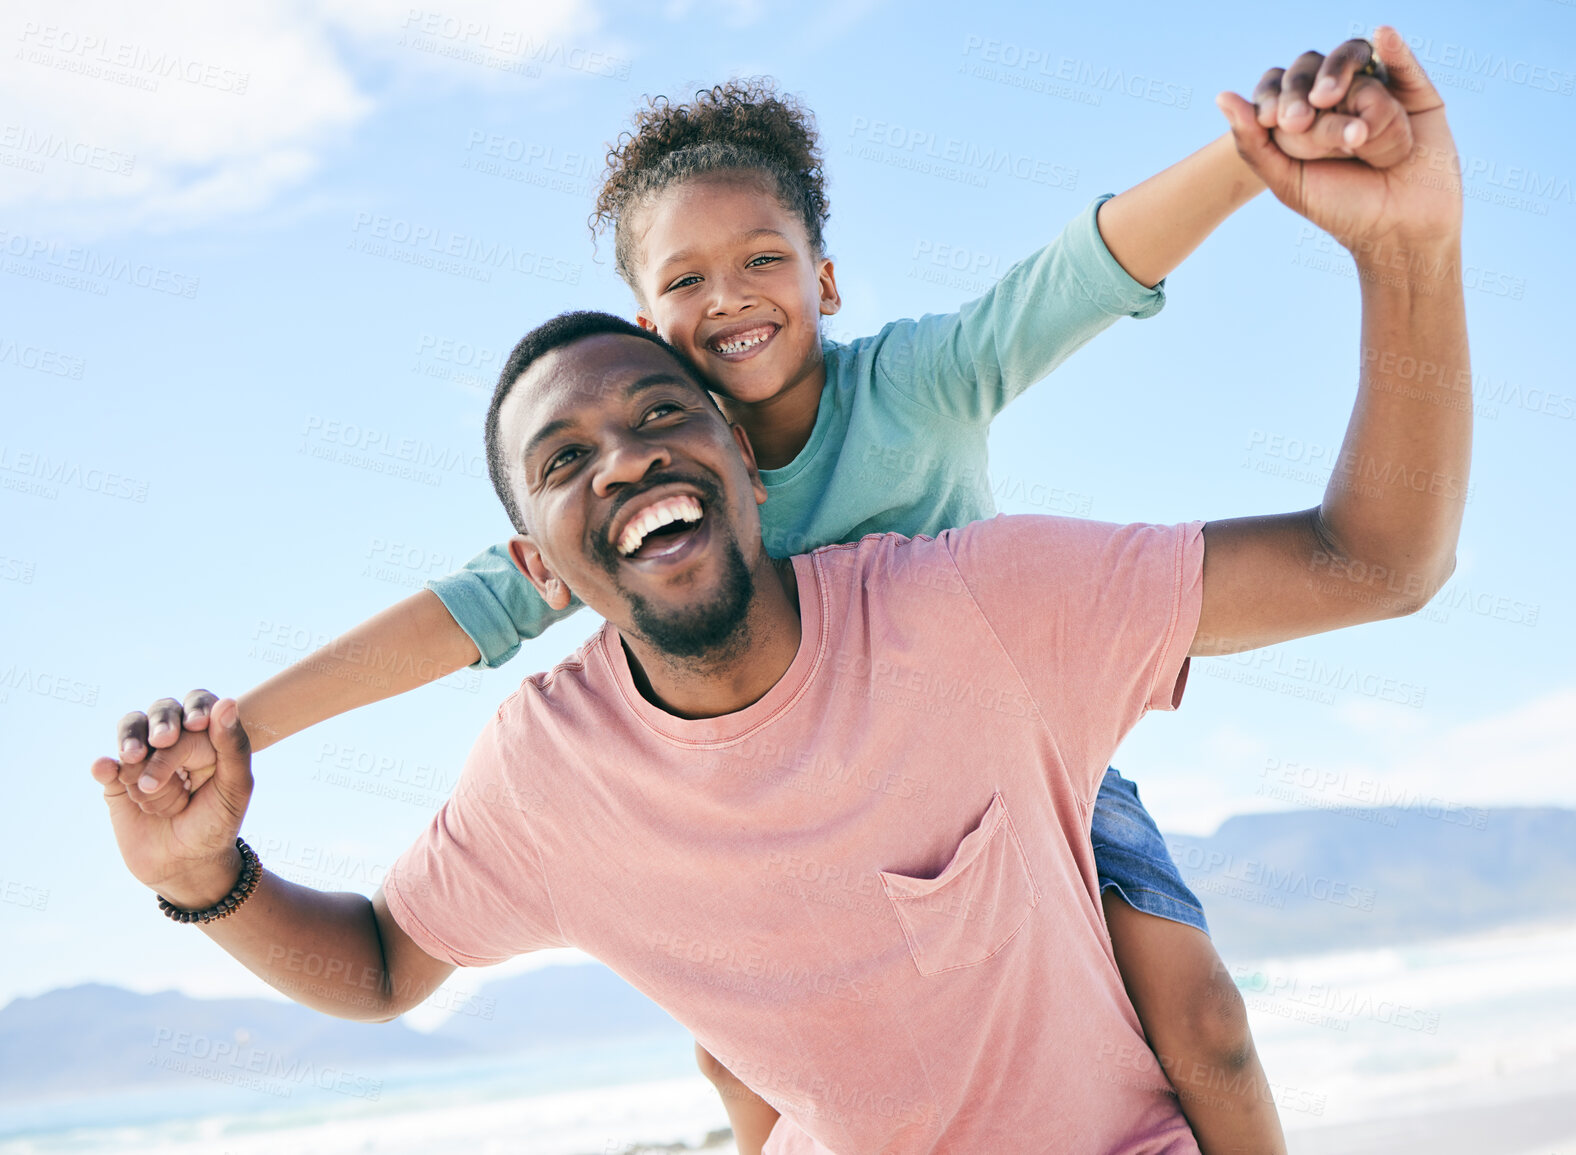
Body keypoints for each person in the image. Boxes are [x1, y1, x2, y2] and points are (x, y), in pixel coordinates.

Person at [95, 27, 1468, 1154]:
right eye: (687, 280)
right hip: (787, 873)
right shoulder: (583, 686)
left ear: (824, 280)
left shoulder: (929, 455)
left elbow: (1083, 275)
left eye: (764, 262)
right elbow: (451, 639)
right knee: (744, 1057)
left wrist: (1255, 162)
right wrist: (224, 767)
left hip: (1036, 758)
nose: (732, 299)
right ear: (653, 323)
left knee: (1199, 1011)